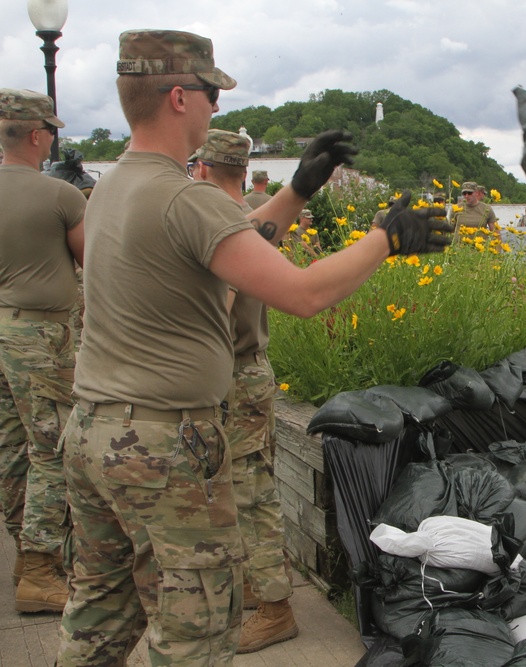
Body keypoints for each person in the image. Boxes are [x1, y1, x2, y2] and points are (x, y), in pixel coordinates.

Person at [58, 29, 452, 666]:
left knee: (101, 613)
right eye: (211, 92)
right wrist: (386, 238)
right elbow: (299, 293)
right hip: (163, 446)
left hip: (92, 433)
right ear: (179, 97)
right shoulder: (186, 197)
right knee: (198, 631)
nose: (217, 107)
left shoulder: (113, 188)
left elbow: (238, 237)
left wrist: (299, 189)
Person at [190, 128, 300, 653]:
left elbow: (223, 304)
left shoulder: (224, 223)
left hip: (232, 372)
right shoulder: (251, 219)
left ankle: (275, 606)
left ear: (204, 168)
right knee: (244, 485)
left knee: (251, 491)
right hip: (245, 369)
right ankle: (258, 588)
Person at [0, 88, 86, 614]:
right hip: (40, 337)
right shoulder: (60, 196)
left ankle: (23, 555)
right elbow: (94, 264)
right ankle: (39, 570)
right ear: (37, 135)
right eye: (50, 130)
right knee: (52, 451)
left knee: (11, 450)